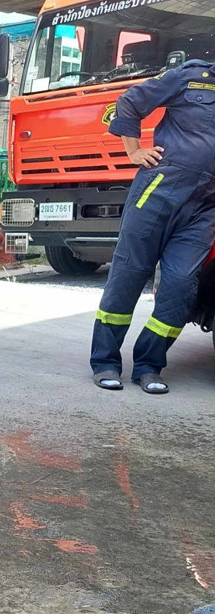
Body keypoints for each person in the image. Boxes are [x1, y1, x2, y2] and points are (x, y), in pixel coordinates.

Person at [90, 54, 215, 394]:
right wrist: (134, 151)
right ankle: (104, 361)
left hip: (206, 207)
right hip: (160, 190)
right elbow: (130, 102)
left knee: (181, 286)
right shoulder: (190, 77)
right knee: (129, 274)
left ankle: (148, 365)